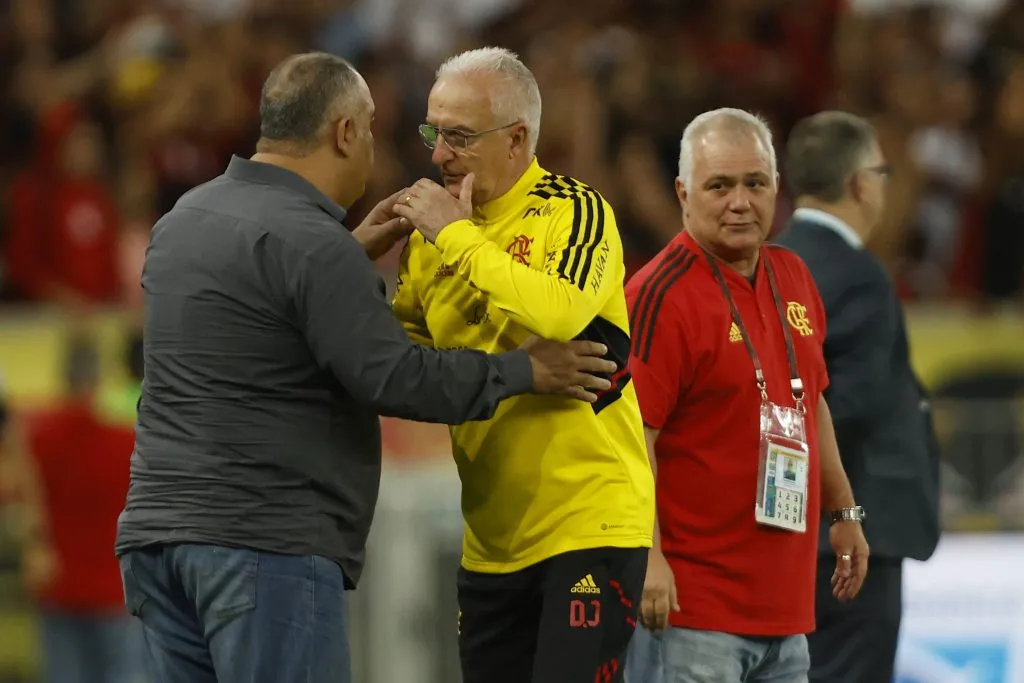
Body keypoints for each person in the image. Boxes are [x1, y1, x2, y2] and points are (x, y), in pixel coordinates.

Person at [115, 52, 616, 683]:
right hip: (264, 542)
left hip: (156, 542)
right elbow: (395, 376)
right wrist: (523, 372)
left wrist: (347, 258)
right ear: (345, 133)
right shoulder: (311, 244)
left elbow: (268, 333)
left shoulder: (183, 220)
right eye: (375, 129)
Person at [391, 47, 654, 683]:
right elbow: (398, 366)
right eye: (433, 132)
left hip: (589, 521)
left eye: (457, 136)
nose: (437, 155)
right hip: (490, 541)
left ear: (517, 139)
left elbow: (560, 312)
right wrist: (352, 257)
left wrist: (456, 236)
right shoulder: (426, 248)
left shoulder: (574, 211)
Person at [622, 108, 869, 683]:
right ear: (684, 193)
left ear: (777, 188)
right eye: (719, 185)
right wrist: (648, 556)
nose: (740, 201)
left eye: (755, 183)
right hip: (693, 612)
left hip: (786, 613)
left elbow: (812, 403)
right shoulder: (659, 294)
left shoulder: (795, 276)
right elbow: (632, 439)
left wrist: (845, 511)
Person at [776, 111, 941, 683]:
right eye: (883, 170)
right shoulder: (859, 273)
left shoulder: (771, 262)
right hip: (855, 532)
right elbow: (850, 403)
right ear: (859, 183)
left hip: (788, 529)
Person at [15, 334, 144, 683]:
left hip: (59, 587)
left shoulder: (37, 437)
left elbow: (27, 503)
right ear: (100, 379)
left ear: (63, 377)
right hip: (113, 589)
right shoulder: (127, 442)